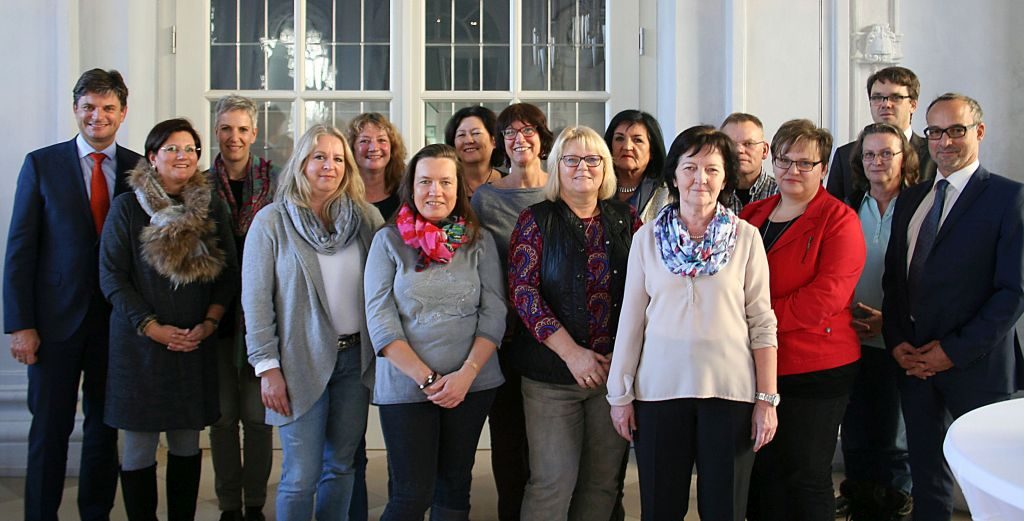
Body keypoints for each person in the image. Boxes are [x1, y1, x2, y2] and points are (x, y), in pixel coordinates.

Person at [607, 125, 779, 520]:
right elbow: (631, 321)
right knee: (660, 507)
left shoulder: (747, 238)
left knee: (725, 509)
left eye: (712, 169)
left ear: (725, 178)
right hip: (658, 395)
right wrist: (620, 395)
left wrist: (767, 400)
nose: (700, 179)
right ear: (673, 175)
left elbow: (762, 323)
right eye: (690, 168)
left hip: (731, 394)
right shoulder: (646, 238)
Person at [4, 68, 142, 521]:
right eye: (88, 107)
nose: (96, 116)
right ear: (75, 110)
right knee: (50, 430)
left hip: (115, 325)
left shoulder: (140, 170)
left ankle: (95, 514)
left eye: (107, 108)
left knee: (104, 432)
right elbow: (20, 251)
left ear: (122, 113)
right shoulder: (41, 164)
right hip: (52, 326)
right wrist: (20, 325)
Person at [882, 93, 1024, 521]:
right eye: (935, 132)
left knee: (993, 481)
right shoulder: (912, 199)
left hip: (977, 368)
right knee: (927, 477)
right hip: (915, 364)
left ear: (978, 132)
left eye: (956, 130)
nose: (944, 141)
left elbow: (1013, 293)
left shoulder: (1008, 198)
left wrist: (952, 352)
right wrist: (897, 343)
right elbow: (895, 283)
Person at [99, 118, 237, 521]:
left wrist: (210, 323)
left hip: (194, 342)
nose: (183, 156)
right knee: (139, 447)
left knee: (186, 444)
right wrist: (151, 327)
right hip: (138, 346)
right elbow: (112, 277)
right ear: (152, 157)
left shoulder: (212, 205)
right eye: (172, 149)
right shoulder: (127, 206)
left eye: (191, 149)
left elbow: (228, 271)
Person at [243, 124, 383, 521]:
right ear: (302, 162)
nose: (330, 165)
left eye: (338, 158)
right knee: (300, 476)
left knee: (340, 467)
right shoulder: (271, 222)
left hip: (353, 362)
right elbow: (255, 302)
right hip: (295, 364)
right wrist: (267, 368)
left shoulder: (366, 219)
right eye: (320, 156)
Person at [364, 143, 506, 521]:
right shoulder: (388, 241)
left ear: (459, 188)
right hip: (406, 387)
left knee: (456, 484)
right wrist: (427, 379)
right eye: (425, 181)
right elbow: (380, 319)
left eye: (445, 182)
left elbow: (494, 313)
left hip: (471, 385)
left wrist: (465, 376)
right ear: (411, 187)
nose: (435, 191)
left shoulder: (480, 241)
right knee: (412, 494)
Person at [509, 126, 639, 521]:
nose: (583, 167)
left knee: (602, 483)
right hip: (551, 378)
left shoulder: (626, 218)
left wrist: (624, 354)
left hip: (613, 376)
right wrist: (573, 355)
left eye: (593, 159)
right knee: (552, 483)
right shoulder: (535, 219)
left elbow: (645, 290)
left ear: (605, 168)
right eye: (572, 159)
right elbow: (524, 294)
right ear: (557, 167)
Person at [741, 119, 866, 521]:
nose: (792, 171)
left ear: (824, 168)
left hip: (815, 367)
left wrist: (755, 322)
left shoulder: (840, 220)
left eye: (805, 163)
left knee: (805, 475)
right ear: (772, 161)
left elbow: (825, 298)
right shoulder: (753, 214)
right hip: (758, 366)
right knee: (761, 473)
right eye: (784, 160)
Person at [469, 102, 554, 521]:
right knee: (507, 438)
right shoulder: (486, 196)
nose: (520, 140)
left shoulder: (560, 187)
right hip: (503, 334)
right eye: (510, 134)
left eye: (528, 131)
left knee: (548, 441)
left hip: (554, 333)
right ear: (502, 144)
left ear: (542, 137)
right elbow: (467, 250)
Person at [837, 123, 920, 520]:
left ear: (905, 159)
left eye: (886, 153)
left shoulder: (921, 207)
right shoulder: (849, 206)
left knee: (896, 436)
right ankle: (860, 500)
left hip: (902, 339)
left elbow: (932, 279)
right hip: (852, 339)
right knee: (855, 430)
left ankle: (895, 503)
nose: (877, 161)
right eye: (869, 154)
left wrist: (889, 322)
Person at [205, 94, 277, 521]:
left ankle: (255, 504)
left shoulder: (276, 182)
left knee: (257, 416)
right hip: (214, 314)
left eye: (242, 129)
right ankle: (229, 503)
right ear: (217, 132)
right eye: (226, 129)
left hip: (260, 314)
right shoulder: (197, 184)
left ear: (254, 133)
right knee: (222, 417)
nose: (234, 137)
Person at [827, 66, 934, 204]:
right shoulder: (845, 155)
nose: (885, 104)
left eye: (895, 97)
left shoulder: (933, 153)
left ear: (913, 105)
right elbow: (833, 212)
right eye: (877, 97)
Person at [603, 109, 670, 222]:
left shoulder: (667, 195)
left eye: (637, 140)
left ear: (652, 151)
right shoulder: (596, 189)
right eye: (619, 138)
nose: (627, 147)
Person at [346, 112, 407, 220]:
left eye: (381, 140)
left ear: (392, 148)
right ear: (351, 148)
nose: (374, 148)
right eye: (364, 141)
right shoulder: (341, 195)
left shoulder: (406, 193)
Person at [720, 112, 780, 214]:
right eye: (731, 144)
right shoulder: (712, 194)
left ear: (764, 150)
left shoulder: (781, 195)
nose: (739, 150)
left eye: (748, 144)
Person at [445, 105, 503, 197]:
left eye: (476, 133)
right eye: (461, 135)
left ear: (494, 140)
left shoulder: (510, 186)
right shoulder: (444, 185)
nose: (469, 140)